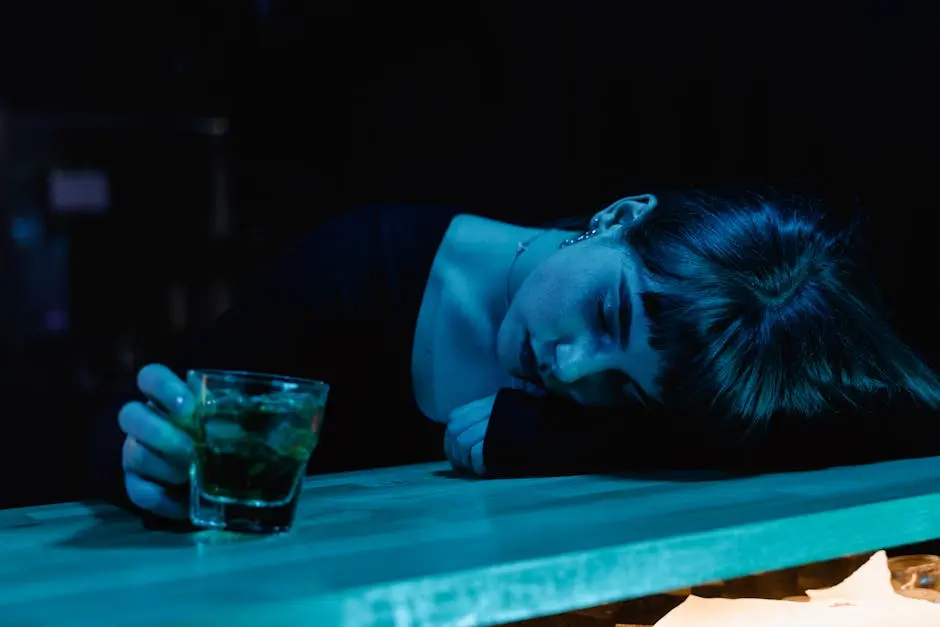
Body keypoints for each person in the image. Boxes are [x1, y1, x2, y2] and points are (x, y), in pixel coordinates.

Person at [88, 191, 940, 522]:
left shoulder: (638, 384)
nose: (572, 369)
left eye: (624, 390)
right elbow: (113, 431)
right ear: (619, 217)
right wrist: (149, 462)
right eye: (607, 312)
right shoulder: (360, 271)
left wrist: (550, 436)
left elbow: (903, 417)